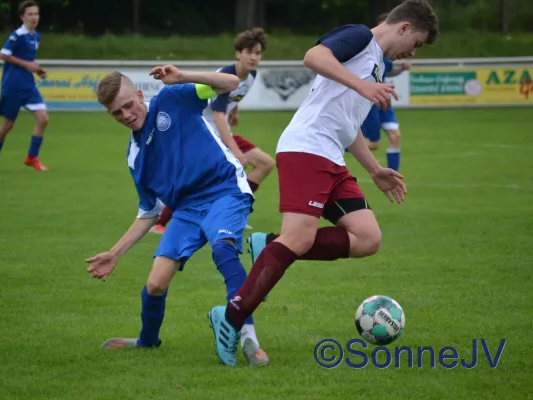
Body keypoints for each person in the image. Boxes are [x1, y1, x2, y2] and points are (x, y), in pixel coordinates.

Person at [207, 0, 440, 366]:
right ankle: (231, 316)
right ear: (405, 27)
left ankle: (268, 245)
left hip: (332, 156)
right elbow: (313, 56)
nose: (413, 51)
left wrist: (375, 168)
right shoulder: (360, 37)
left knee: (367, 238)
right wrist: (362, 86)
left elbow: (348, 127)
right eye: (417, 43)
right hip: (306, 148)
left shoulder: (377, 66)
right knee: (298, 238)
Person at [85, 66, 269, 366]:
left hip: (225, 189)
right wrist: (115, 253)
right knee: (156, 283)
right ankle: (147, 341)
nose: (127, 115)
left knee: (223, 248)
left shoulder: (171, 99)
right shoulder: (135, 158)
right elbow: (149, 212)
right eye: (117, 113)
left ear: (140, 95)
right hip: (187, 209)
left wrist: (183, 76)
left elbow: (231, 83)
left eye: (129, 105)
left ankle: (248, 337)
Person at [150, 27, 275, 234]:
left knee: (265, 163)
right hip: (202, 130)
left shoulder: (251, 75)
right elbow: (217, 115)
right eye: (249, 52)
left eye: (258, 53)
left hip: (219, 129)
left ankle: (233, 214)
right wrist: (235, 150)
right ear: (238, 53)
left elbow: (230, 101)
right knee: (197, 178)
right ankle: (160, 223)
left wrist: (235, 110)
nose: (254, 57)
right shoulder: (226, 75)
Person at [0, 0, 49, 172]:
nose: (34, 17)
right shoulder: (17, 35)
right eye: (30, 14)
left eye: (36, 14)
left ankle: (32, 157)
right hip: (13, 85)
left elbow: (29, 59)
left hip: (28, 85)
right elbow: (3, 54)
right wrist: (27, 66)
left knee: (43, 119)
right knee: (8, 124)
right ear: (22, 17)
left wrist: (38, 69)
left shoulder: (36, 36)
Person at [361, 12, 412, 172]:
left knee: (395, 135)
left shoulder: (388, 53)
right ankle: (341, 146)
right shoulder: (366, 49)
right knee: (374, 144)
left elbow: (388, 72)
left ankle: (393, 175)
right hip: (370, 102)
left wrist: (401, 70)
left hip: (384, 101)